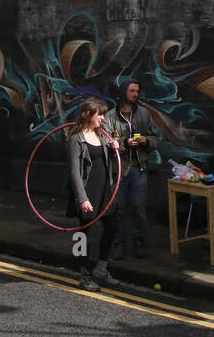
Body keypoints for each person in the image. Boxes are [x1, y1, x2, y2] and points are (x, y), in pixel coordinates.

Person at [66, 97, 123, 292]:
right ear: (89, 114)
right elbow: (74, 171)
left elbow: (113, 167)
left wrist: (116, 150)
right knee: (83, 234)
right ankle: (84, 272)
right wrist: (82, 198)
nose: (103, 118)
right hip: (87, 190)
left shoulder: (103, 136)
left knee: (112, 226)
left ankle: (102, 267)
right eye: (100, 114)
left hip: (105, 189)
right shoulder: (76, 139)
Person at [106, 79, 161, 260]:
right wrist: (123, 143)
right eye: (132, 91)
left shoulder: (144, 114)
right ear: (123, 93)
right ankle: (119, 241)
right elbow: (105, 141)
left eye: (137, 91)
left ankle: (139, 240)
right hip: (119, 170)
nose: (136, 94)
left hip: (138, 168)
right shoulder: (111, 117)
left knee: (138, 206)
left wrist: (146, 141)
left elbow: (157, 136)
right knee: (119, 207)